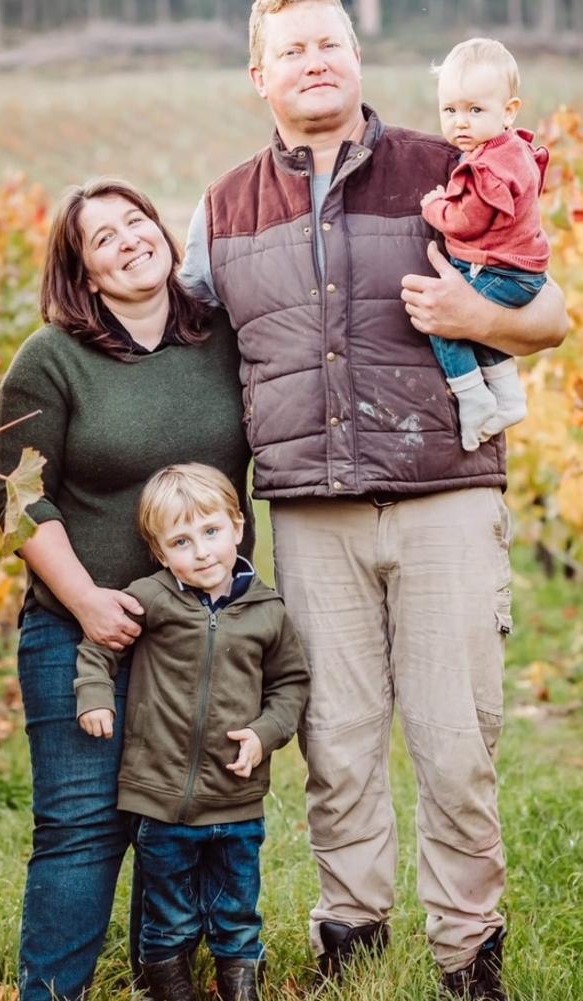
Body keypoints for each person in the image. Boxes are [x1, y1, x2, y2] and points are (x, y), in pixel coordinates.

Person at [180, 1, 568, 998]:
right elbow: (173, 352)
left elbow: (549, 315)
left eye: (328, 43)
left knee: (453, 737)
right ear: (256, 77)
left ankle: (463, 954)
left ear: (357, 61)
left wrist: (471, 311)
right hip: (308, 511)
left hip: (443, 490)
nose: (312, 61)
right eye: (289, 49)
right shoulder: (222, 208)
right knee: (337, 742)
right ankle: (350, 942)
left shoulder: (450, 167)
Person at [0, 179, 254, 1001]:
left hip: (199, 635)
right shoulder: (51, 358)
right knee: (82, 828)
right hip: (82, 632)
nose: (128, 240)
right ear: (83, 274)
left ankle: (162, 979)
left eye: (135, 221)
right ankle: (53, 991)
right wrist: (87, 603)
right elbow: (13, 498)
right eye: (101, 238)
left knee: (178, 820)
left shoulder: (222, 338)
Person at [74, 463, 310, 1001]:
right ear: (160, 554)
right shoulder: (151, 598)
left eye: (211, 532)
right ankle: (169, 988)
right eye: (181, 541)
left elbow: (291, 684)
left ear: (238, 526)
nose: (202, 551)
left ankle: (239, 986)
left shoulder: (266, 611)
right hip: (159, 802)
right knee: (169, 916)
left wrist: (264, 733)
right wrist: (93, 696)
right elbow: (98, 647)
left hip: (236, 801)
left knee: (236, 913)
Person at [420, 37, 550, 452]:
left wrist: (434, 205)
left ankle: (474, 401)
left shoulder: (486, 168)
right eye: (450, 110)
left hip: (501, 270)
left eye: (475, 110)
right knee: (479, 329)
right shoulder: (514, 151)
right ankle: (509, 400)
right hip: (526, 271)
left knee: (445, 320)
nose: (461, 122)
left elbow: (464, 222)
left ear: (509, 111)